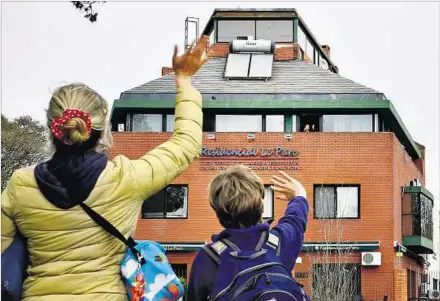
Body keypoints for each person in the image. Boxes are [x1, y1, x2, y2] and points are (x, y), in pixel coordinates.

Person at [1, 36, 210, 301]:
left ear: (52, 128)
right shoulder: (125, 178)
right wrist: (184, 80)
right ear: (100, 130)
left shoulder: (20, 186)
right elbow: (186, 144)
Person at [187, 165, 309, 300]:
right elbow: (295, 219)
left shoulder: (208, 258)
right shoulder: (280, 242)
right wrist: (299, 195)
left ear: (217, 210)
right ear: (262, 204)